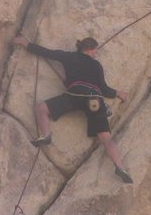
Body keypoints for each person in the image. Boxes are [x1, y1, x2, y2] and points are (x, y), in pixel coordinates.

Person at [13, 34, 133, 184]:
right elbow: (104, 89)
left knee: (41, 108)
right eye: (95, 51)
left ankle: (46, 135)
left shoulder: (68, 57)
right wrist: (119, 93)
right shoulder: (96, 66)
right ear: (89, 49)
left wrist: (26, 43)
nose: (96, 54)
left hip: (75, 95)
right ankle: (120, 167)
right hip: (94, 100)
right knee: (106, 138)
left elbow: (47, 53)